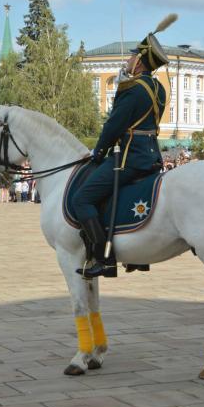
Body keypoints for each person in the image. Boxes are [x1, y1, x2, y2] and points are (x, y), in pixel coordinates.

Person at [73, 16, 176, 278]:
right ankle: (138, 256)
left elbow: (114, 125)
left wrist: (99, 151)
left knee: (82, 199)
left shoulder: (132, 88)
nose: (127, 60)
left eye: (131, 57)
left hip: (130, 157)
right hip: (152, 156)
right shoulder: (158, 89)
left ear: (140, 62)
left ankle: (103, 259)